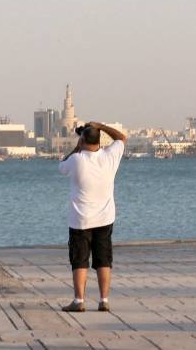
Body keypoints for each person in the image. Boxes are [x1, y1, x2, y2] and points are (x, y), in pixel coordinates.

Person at [59, 121, 127, 312]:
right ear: (99, 140)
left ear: (82, 140)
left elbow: (61, 167)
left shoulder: (76, 160)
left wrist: (76, 148)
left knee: (79, 260)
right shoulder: (109, 157)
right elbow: (121, 138)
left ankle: (79, 301)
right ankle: (103, 300)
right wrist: (101, 126)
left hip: (80, 220)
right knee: (103, 259)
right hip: (105, 218)